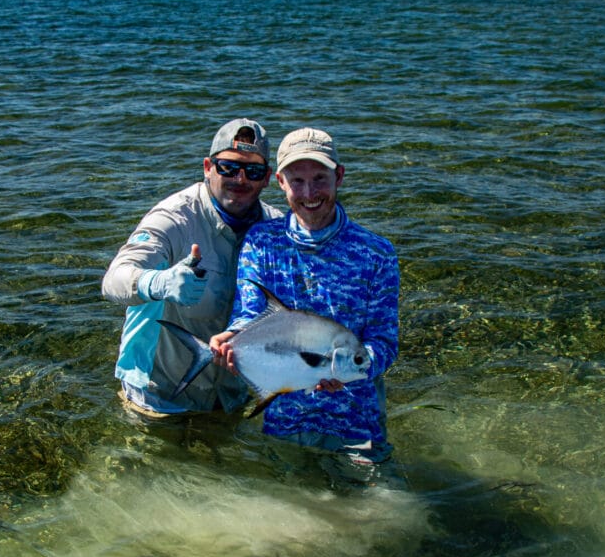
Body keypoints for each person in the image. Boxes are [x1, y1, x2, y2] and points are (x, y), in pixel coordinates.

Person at [212, 127, 400, 463]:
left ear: (339, 176)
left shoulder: (377, 253)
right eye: (297, 181)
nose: (309, 192)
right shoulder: (261, 242)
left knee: (382, 515)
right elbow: (251, 313)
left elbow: (385, 342)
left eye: (319, 178)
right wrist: (233, 337)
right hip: (282, 421)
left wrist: (348, 368)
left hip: (356, 425)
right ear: (280, 183)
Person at [102, 118, 284, 416]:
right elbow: (113, 280)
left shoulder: (275, 227)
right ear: (207, 168)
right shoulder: (174, 218)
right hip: (158, 397)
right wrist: (156, 282)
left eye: (253, 171)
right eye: (228, 166)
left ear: (267, 178)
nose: (240, 179)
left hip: (228, 397)